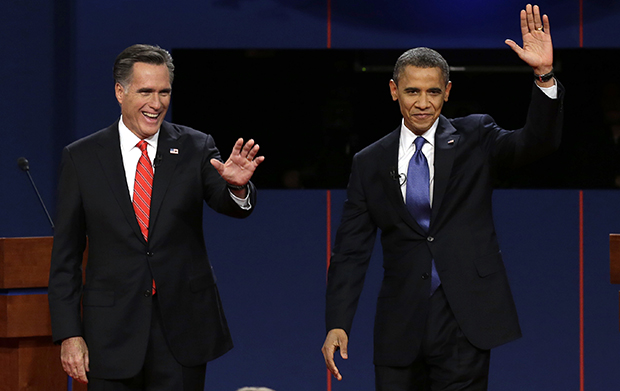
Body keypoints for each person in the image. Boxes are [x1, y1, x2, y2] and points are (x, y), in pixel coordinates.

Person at [321, 4, 563, 390]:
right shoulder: (370, 162)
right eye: (412, 91)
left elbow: (536, 143)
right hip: (400, 325)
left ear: (447, 92)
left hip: (465, 321)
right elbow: (351, 250)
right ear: (393, 90)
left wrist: (544, 76)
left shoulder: (476, 137)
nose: (423, 102)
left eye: (433, 91)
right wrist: (337, 322)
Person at [48, 44, 264, 390]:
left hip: (181, 331)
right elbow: (65, 258)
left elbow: (230, 205)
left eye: (164, 92)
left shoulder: (195, 147)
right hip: (110, 335)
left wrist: (238, 189)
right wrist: (69, 334)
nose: (157, 103)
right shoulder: (82, 158)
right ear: (120, 92)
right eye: (145, 91)